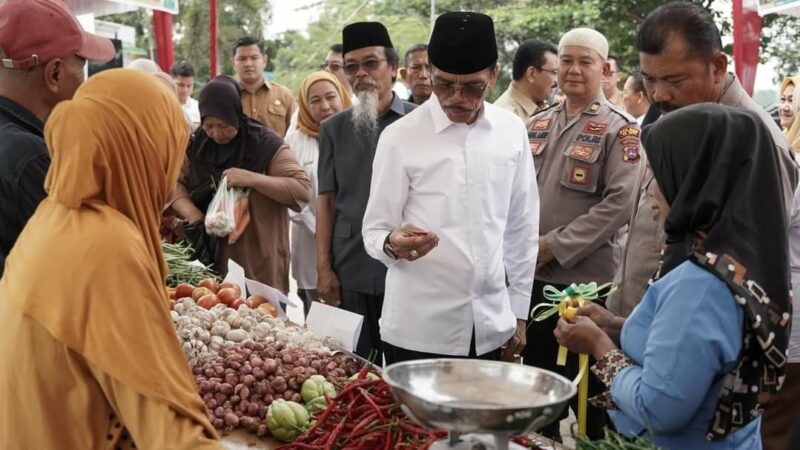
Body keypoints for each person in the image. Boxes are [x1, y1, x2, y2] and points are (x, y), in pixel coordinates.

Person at [0, 69, 222, 449]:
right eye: (171, 146)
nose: (176, 164)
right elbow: (170, 432)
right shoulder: (105, 248)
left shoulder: (55, 215)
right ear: (145, 151)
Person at [611, 6, 800, 447]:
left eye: (673, 80)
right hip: (672, 341)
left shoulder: (755, 141)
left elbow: (741, 274)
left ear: (718, 66)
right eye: (649, 79)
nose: (658, 94)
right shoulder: (682, 126)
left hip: (710, 371)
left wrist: (613, 355)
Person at [556, 104, 791, 449]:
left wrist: (598, 345)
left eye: (659, 177)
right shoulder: (740, 256)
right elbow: (697, 350)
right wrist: (615, 324)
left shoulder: (700, 288)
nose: (651, 194)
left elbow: (658, 409)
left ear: (695, 180)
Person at [362, 11, 539, 364]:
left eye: (472, 86)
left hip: (491, 326)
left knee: (483, 421)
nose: (456, 97)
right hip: (419, 331)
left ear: (493, 76)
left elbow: (521, 228)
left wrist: (519, 312)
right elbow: (374, 230)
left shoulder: (511, 131)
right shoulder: (400, 137)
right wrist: (392, 244)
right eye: (444, 84)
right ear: (429, 75)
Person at [525, 27, 644, 440]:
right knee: (537, 393)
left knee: (586, 400)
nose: (574, 70)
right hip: (533, 281)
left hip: (586, 288)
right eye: (567, 61)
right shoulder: (537, 122)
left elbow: (620, 205)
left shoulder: (622, 130)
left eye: (585, 62)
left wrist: (552, 246)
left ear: (605, 68)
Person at [316, 22, 416, 359]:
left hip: (407, 267)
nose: (361, 74)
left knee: (405, 367)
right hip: (350, 264)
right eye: (352, 67)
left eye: (371, 63)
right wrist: (323, 268)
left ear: (393, 67)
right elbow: (326, 200)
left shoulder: (420, 123)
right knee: (355, 367)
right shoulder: (333, 128)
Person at [0, 0, 113, 278]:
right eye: (82, 66)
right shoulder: (32, 159)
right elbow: (69, 273)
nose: (85, 83)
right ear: (54, 74)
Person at [168, 76, 311, 293]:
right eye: (209, 126)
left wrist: (251, 178)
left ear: (235, 114)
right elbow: (174, 184)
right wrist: (195, 216)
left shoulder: (265, 144)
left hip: (257, 255)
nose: (216, 133)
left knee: (261, 314)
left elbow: (301, 189)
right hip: (210, 257)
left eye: (224, 125)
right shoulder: (197, 144)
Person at [284, 72, 352, 315]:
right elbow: (290, 193)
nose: (325, 106)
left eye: (331, 97)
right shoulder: (294, 140)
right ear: (304, 104)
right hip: (310, 245)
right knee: (321, 328)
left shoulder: (357, 132)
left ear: (342, 96)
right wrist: (320, 228)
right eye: (315, 100)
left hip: (353, 244)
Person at [232, 36, 295, 138]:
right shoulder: (226, 96)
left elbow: (295, 134)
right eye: (242, 59)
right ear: (233, 63)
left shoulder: (284, 95)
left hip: (277, 154)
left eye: (254, 58)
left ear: (264, 61)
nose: (248, 64)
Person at [494, 39, 558, 121]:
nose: (556, 81)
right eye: (554, 72)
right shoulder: (505, 117)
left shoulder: (543, 107)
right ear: (531, 74)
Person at [170, 60, 201, 129]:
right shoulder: (163, 106)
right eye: (181, 85)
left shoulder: (198, 108)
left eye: (189, 86)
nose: (185, 90)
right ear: (171, 82)